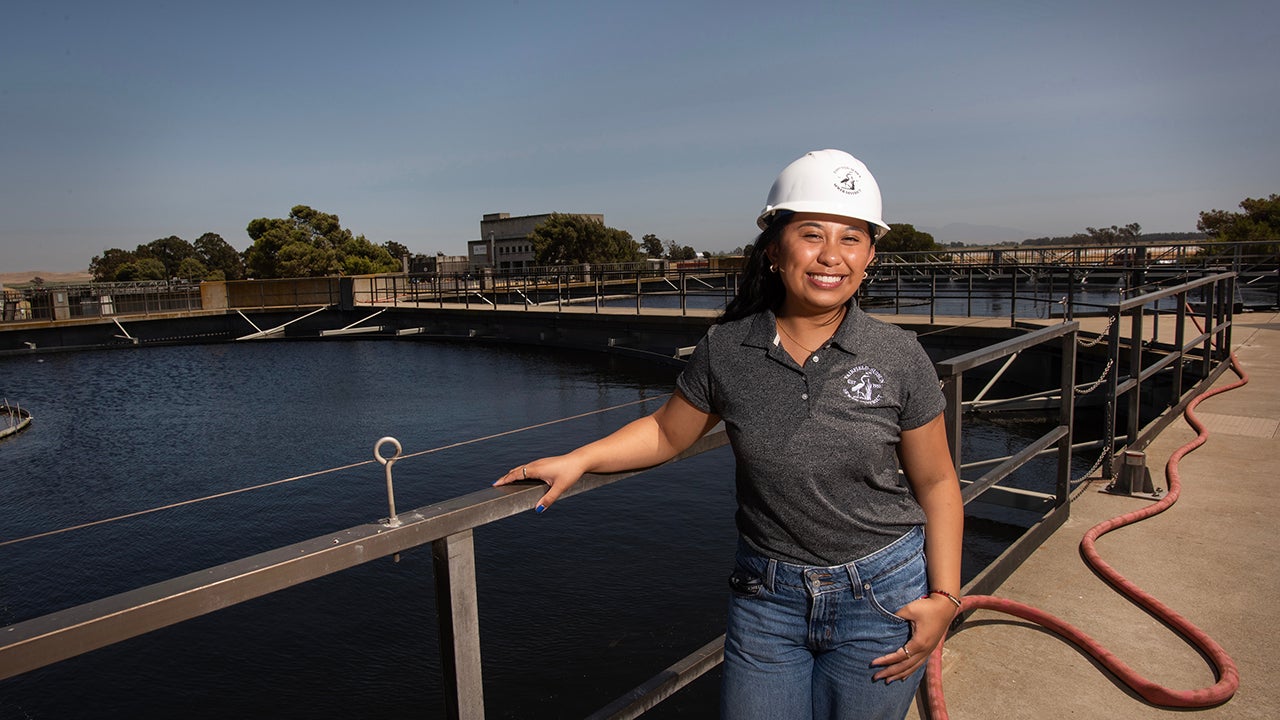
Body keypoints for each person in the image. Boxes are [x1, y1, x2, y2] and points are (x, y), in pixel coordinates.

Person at [495, 149, 963, 719]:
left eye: (851, 239)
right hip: (769, 599)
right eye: (811, 234)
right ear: (774, 249)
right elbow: (668, 433)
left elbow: (938, 482)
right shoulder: (727, 350)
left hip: (883, 593)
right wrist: (581, 458)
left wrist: (945, 597)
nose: (831, 257)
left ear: (870, 255)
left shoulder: (899, 355)